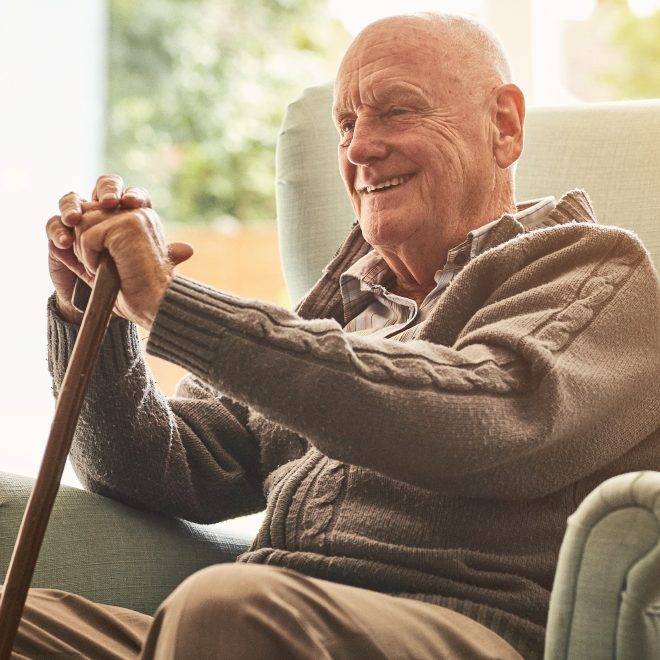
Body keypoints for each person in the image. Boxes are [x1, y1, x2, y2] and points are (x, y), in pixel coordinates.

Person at [13, 11, 660, 660]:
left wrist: (171, 305)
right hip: (254, 623)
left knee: (226, 611)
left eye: (396, 111)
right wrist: (90, 320)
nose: (358, 148)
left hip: (462, 629)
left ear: (505, 125)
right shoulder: (329, 317)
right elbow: (157, 467)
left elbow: (473, 422)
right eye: (346, 125)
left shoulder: (592, 272)